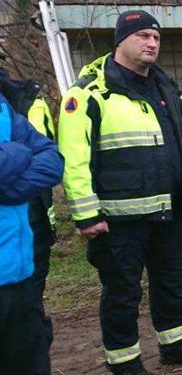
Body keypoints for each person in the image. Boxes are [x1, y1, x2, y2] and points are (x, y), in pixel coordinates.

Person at [59, 10, 182, 375]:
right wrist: (85, 214)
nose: (151, 43)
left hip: (168, 213)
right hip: (117, 222)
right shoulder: (88, 95)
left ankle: (175, 344)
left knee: (171, 285)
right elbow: (73, 159)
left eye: (156, 37)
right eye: (142, 35)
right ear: (121, 41)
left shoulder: (170, 93)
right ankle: (125, 361)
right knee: (122, 294)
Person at [0, 62, 58, 374]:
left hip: (20, 274)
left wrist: (8, 189)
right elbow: (29, 152)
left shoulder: (4, 104)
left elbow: (51, 158)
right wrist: (20, 153)